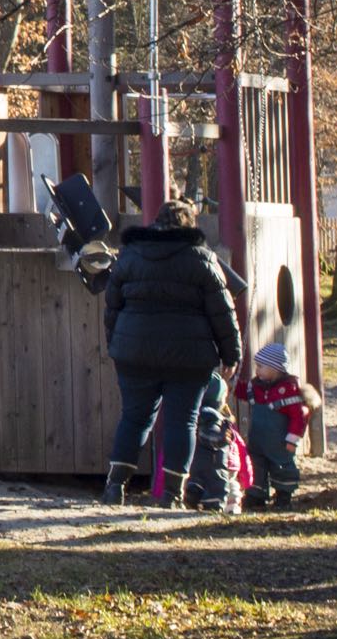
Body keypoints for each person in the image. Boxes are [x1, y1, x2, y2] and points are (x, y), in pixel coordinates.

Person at [100, 197, 241, 507]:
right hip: (188, 356)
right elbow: (222, 311)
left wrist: (116, 344)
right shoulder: (201, 258)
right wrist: (231, 354)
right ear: (190, 224)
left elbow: (112, 306)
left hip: (134, 351)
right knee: (183, 422)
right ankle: (172, 494)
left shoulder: (130, 255)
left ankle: (115, 487)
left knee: (135, 419)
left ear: (156, 221)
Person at [239, 341, 320, 509]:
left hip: (280, 441)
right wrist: (231, 385)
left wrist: (293, 438)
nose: (257, 370)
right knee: (256, 465)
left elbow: (299, 415)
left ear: (275, 369)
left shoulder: (289, 390)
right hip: (258, 439)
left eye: (261, 366)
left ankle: (284, 495)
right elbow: (242, 391)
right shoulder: (256, 386)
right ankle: (256, 495)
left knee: (282, 466)